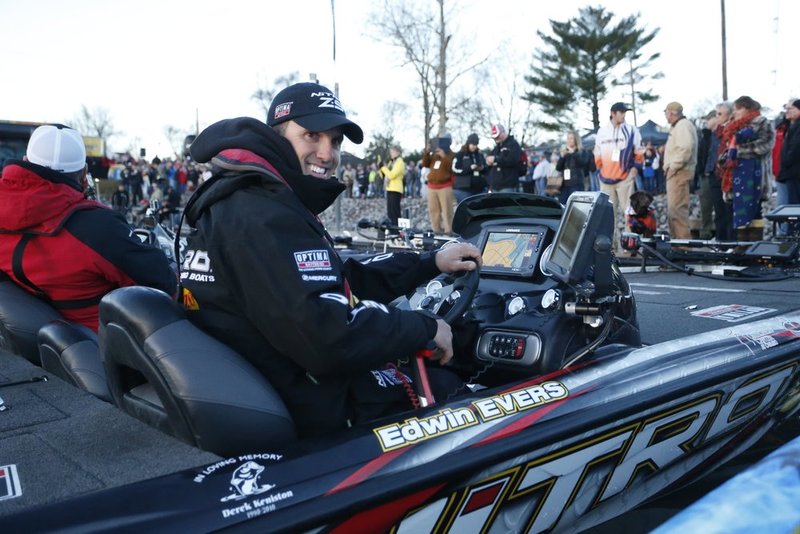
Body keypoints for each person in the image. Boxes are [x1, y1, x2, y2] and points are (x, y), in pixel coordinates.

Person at [180, 82, 481, 439]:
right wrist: (425, 327)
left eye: (335, 141)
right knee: (459, 392)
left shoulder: (250, 199)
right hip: (311, 410)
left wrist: (429, 264)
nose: (327, 153)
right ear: (277, 136)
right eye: (312, 136)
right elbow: (329, 338)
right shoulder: (262, 214)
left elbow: (338, 279)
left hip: (271, 381)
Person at [0, 124, 177, 332]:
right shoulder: (97, 227)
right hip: (103, 345)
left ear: (25, 162)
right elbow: (163, 284)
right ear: (84, 173)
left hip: (43, 338)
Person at [718, 96, 775, 241]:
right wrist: (725, 159)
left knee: (755, 210)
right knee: (739, 209)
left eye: (738, 109)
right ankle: (742, 244)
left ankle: (754, 245)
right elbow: (729, 148)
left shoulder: (762, 123)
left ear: (747, 108)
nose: (735, 112)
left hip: (755, 174)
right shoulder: (734, 126)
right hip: (736, 175)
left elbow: (765, 144)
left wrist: (739, 151)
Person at [594, 102, 643, 253]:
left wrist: (635, 168)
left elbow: (639, 150)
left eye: (624, 112)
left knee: (629, 212)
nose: (623, 115)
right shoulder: (602, 132)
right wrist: (600, 167)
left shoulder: (631, 130)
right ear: (613, 113)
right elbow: (597, 152)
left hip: (625, 179)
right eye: (621, 112)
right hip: (606, 180)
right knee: (608, 214)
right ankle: (610, 246)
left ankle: (630, 246)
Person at [662, 102, 698, 240]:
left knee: (677, 210)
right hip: (678, 171)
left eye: (666, 112)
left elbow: (685, 148)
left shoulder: (682, 126)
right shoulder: (680, 126)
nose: (666, 116)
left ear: (671, 113)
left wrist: (673, 166)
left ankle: (682, 245)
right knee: (675, 210)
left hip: (679, 172)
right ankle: (678, 242)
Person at [705, 102, 734, 241]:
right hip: (714, 174)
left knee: (728, 211)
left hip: (727, 174)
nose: (717, 117)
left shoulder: (732, 129)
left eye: (720, 114)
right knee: (718, 211)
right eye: (716, 114)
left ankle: (729, 241)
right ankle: (721, 240)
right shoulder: (716, 131)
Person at [421, 134, 456, 234]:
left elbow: (451, 168)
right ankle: (436, 230)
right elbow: (425, 164)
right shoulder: (434, 155)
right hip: (432, 186)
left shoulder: (452, 155)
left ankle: (448, 231)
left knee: (447, 210)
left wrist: (444, 157)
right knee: (433, 210)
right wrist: (427, 152)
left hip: (445, 186)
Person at [777, 99, 800, 226]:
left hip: (794, 172)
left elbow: (795, 148)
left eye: (791, 109)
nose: (787, 111)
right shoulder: (789, 126)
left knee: (794, 206)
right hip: (788, 173)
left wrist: (786, 160)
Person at [555, 130, 591, 204]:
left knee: (575, 206)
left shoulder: (582, 151)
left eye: (571, 138)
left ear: (576, 140)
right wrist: (562, 157)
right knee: (563, 206)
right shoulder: (565, 152)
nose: (569, 140)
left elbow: (583, 163)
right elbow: (558, 168)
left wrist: (573, 153)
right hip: (564, 185)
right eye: (568, 138)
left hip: (576, 184)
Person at [486, 123, 522, 193]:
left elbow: (513, 160)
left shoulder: (513, 144)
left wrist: (495, 159)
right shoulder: (496, 148)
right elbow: (489, 158)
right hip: (495, 185)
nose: (496, 138)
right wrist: (488, 162)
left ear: (503, 132)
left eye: (497, 136)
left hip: (508, 185)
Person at [451, 133, 487, 203]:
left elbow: (486, 168)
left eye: (476, 145)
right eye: (472, 144)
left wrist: (482, 168)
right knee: (465, 211)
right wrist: (469, 168)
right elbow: (454, 169)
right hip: (463, 190)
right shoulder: (460, 154)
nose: (474, 146)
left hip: (479, 189)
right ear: (468, 143)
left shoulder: (480, 155)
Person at [380, 146, 405, 226]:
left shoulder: (399, 162)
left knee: (395, 212)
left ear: (398, 152)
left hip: (396, 189)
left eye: (392, 152)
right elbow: (385, 175)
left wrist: (383, 168)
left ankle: (397, 229)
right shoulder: (391, 163)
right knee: (390, 212)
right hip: (389, 188)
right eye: (390, 152)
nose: (391, 154)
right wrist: (380, 169)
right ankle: (392, 229)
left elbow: (392, 175)